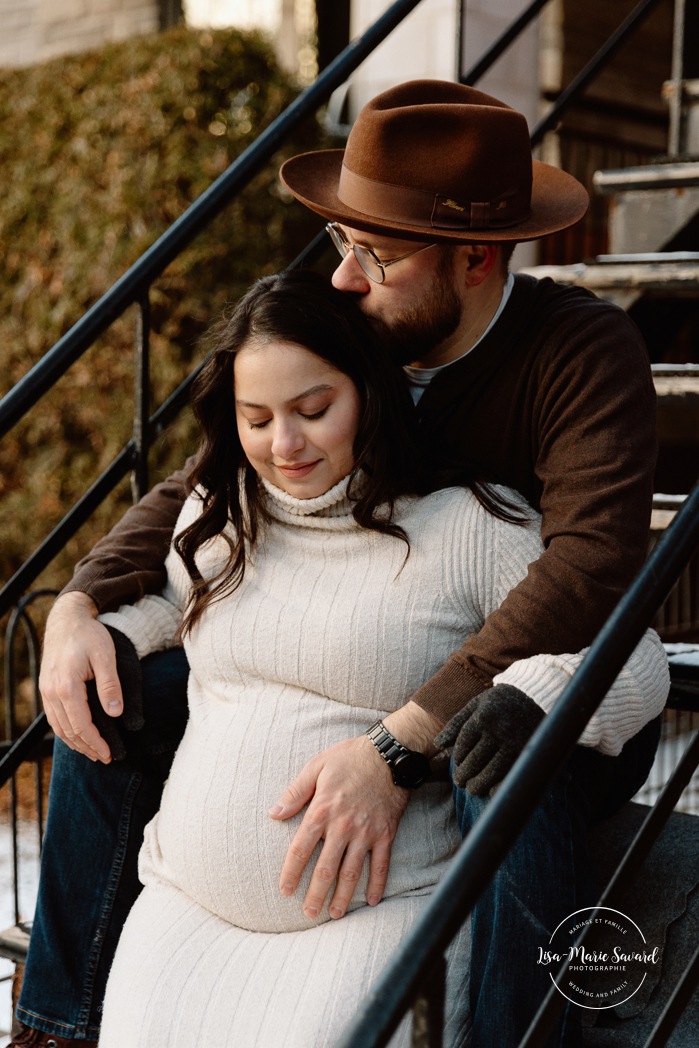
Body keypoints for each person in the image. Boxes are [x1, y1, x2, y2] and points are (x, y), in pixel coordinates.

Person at [15, 81, 664, 1048]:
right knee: (111, 686)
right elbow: (215, 475)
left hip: (536, 682)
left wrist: (403, 741)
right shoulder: (364, 328)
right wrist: (81, 603)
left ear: (476, 259)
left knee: (504, 747)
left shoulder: (578, 349)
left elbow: (590, 571)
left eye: (376, 254)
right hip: (358, 647)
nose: (344, 280)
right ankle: (58, 1023)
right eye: (340, 245)